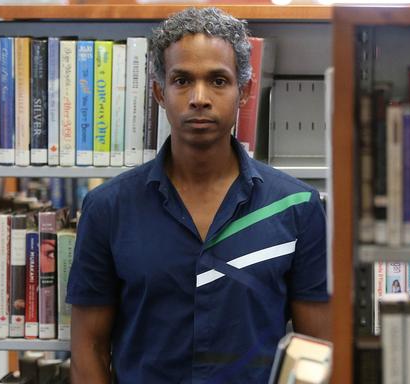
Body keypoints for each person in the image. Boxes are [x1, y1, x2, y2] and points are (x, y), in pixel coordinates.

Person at [66, 7, 330, 383]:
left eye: (218, 81)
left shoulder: (297, 208)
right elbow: (88, 348)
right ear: (160, 91)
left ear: (245, 91)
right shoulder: (108, 208)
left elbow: (316, 350)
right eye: (183, 80)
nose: (200, 98)